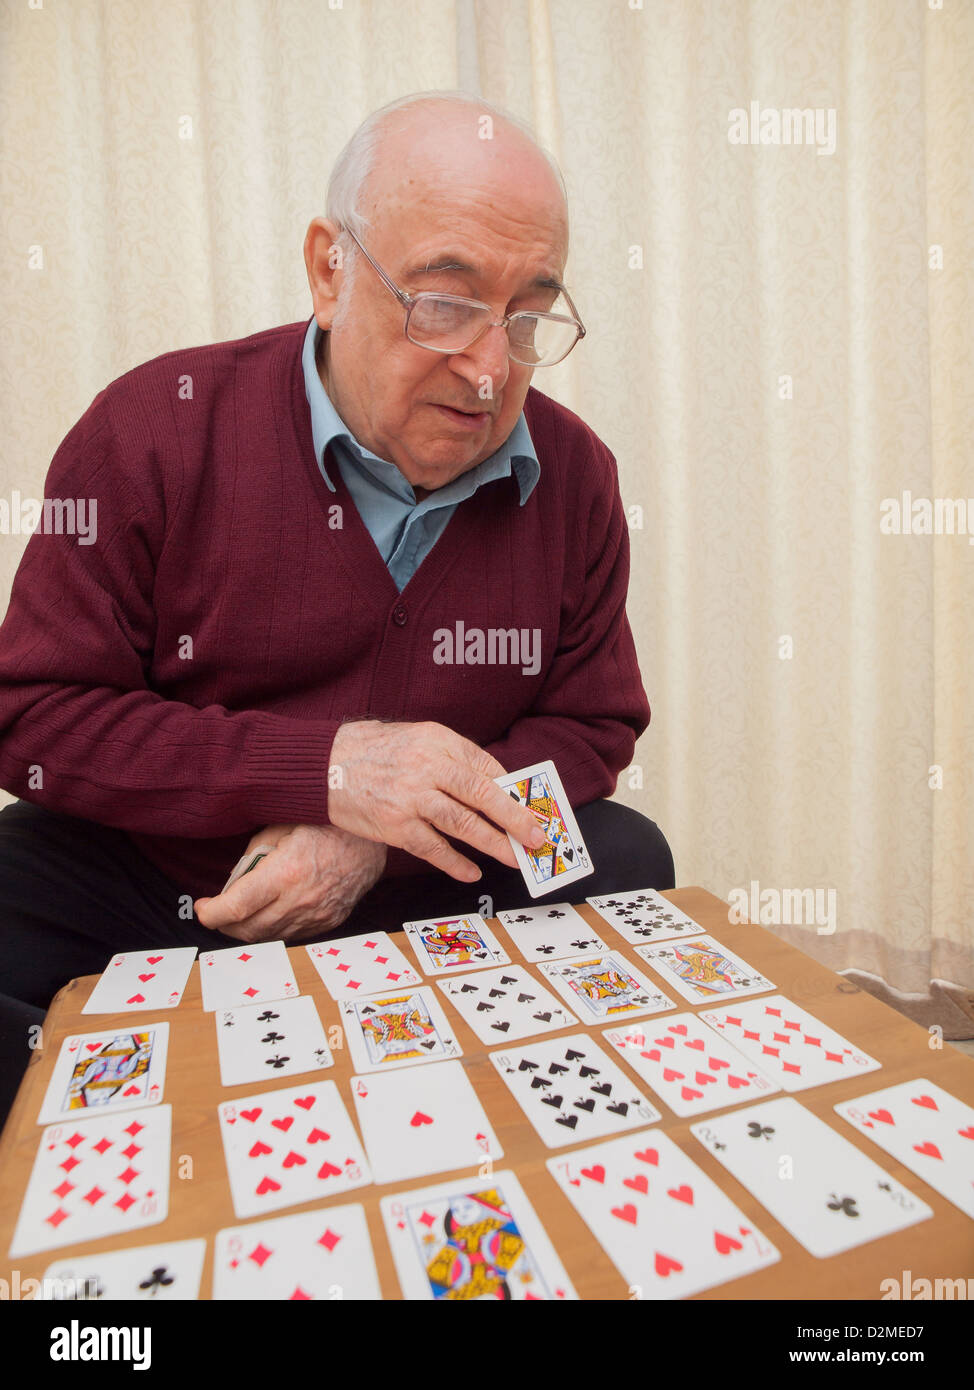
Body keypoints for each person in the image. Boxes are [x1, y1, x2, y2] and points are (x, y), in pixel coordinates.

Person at [0, 91, 673, 1125]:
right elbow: (37, 716)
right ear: (330, 269)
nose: (491, 371)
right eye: (444, 303)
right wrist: (325, 775)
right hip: (170, 876)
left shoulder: (577, 477)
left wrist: (378, 836)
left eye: (529, 315)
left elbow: (591, 726)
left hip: (428, 879)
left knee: (624, 851)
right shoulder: (149, 431)